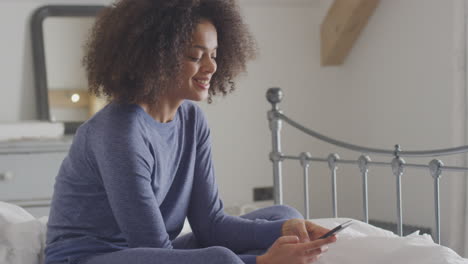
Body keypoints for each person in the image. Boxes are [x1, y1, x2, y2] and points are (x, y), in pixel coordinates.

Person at [44, 1, 337, 264]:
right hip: (89, 256)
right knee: (221, 259)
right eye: (196, 56)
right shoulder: (118, 132)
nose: (211, 66)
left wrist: (284, 231)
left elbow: (210, 224)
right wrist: (261, 263)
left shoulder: (192, 119)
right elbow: (151, 246)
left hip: (158, 250)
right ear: (156, 57)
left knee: (285, 218)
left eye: (214, 54)